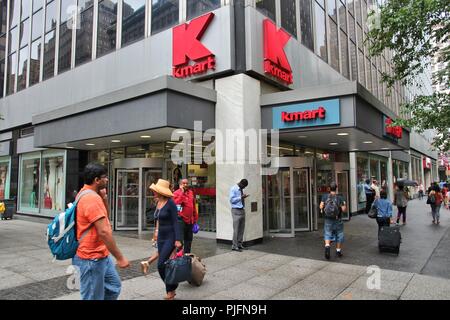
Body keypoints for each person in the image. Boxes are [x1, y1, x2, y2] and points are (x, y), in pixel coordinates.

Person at [72, 163, 130, 300]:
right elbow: (104, 231)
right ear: (97, 180)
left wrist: (104, 198)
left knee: (113, 287)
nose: (107, 180)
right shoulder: (91, 199)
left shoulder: (88, 194)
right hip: (91, 258)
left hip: (101, 255)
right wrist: (120, 258)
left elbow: (105, 219)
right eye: (105, 177)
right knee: (92, 296)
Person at [149, 179, 182, 300]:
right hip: (161, 237)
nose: (154, 192)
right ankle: (171, 290)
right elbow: (158, 220)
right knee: (164, 264)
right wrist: (155, 234)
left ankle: (172, 287)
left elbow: (175, 222)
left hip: (170, 237)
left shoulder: (170, 203)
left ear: (161, 191)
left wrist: (178, 239)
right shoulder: (158, 202)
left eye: (156, 190)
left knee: (161, 264)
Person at [319, 182, 347, 260]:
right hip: (338, 219)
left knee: (327, 233)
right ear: (336, 188)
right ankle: (338, 251)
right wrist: (344, 204)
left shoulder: (325, 196)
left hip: (328, 219)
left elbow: (321, 206)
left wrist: (322, 208)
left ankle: (327, 246)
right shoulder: (340, 197)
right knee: (339, 234)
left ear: (329, 188)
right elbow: (344, 210)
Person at [173, 178, 198, 254]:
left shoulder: (190, 192)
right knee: (180, 241)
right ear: (180, 184)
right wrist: (182, 193)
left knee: (189, 240)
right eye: (184, 183)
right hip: (181, 220)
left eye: (187, 183)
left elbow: (193, 206)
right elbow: (176, 204)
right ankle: (178, 258)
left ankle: (187, 256)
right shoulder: (176, 193)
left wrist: (195, 219)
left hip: (190, 220)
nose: (186, 185)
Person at [229, 179, 249, 252]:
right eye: (244, 186)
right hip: (236, 210)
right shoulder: (233, 188)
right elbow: (231, 200)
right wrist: (241, 197)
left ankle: (240, 244)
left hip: (242, 209)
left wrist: (243, 197)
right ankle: (234, 246)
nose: (244, 188)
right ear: (241, 184)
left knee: (241, 228)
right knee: (236, 229)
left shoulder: (240, 189)